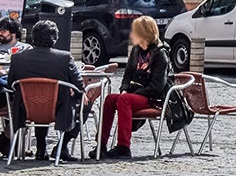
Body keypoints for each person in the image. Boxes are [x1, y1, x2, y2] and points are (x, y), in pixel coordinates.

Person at [6, 19, 83, 161]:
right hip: (58, 109)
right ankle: (62, 145)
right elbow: (79, 85)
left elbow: (10, 84)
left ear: (33, 37)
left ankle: (41, 148)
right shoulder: (64, 58)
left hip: (26, 109)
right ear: (55, 38)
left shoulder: (17, 58)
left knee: (40, 100)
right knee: (84, 102)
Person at [99, 14, 174, 158]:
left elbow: (157, 86)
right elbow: (127, 75)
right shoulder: (136, 51)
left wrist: (133, 94)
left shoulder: (160, 54)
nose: (132, 34)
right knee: (110, 99)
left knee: (124, 100)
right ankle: (101, 144)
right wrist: (124, 89)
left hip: (150, 97)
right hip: (132, 94)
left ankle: (123, 147)